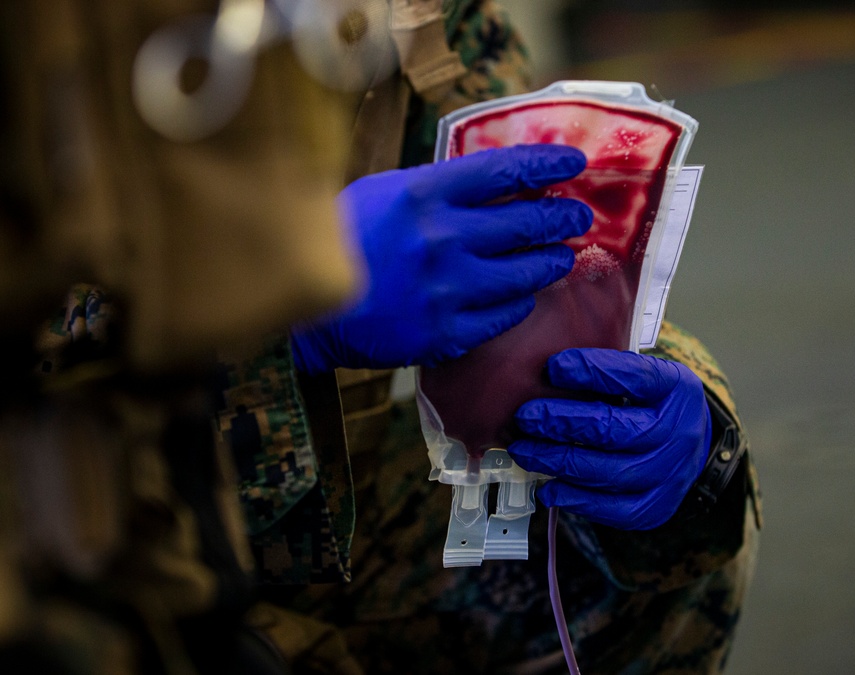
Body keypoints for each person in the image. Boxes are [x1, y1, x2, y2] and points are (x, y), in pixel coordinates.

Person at [0, 1, 588, 673]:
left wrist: (678, 417)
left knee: (607, 527)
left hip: (307, 522)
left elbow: (501, 162)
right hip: (61, 561)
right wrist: (276, 329)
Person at [212, 1, 763, 673]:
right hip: (94, 543)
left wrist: (692, 432)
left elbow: (536, 249)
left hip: (307, 509)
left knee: (646, 531)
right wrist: (272, 312)